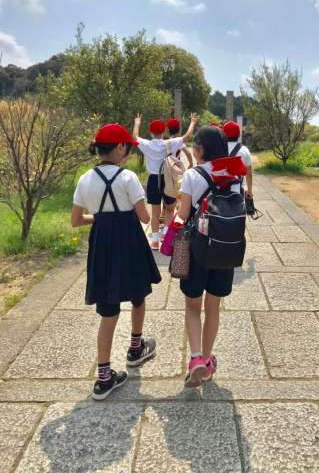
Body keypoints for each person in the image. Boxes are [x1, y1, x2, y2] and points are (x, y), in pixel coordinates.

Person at [71, 123, 161, 401]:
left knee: (108, 310)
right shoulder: (128, 177)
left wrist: (100, 218)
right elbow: (145, 217)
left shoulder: (85, 179)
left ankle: (103, 377)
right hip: (130, 242)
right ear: (120, 147)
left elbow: (76, 220)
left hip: (102, 245)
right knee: (138, 295)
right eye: (127, 148)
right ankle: (135, 348)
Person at [177, 126, 247, 388]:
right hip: (226, 248)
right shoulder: (235, 174)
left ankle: (195, 357)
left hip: (198, 248)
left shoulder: (192, 175)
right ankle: (207, 360)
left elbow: (183, 215)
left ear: (200, 150)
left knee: (193, 306)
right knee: (213, 307)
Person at [133, 113, 198, 250]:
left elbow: (134, 137)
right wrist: (192, 122)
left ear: (150, 132)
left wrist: (137, 123)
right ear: (164, 132)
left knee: (155, 212)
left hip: (153, 179)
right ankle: (166, 236)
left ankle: (155, 240)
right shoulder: (170, 143)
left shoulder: (147, 145)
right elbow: (187, 136)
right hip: (168, 179)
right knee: (169, 209)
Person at [223, 121, 253, 199]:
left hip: (219, 192)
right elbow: (248, 173)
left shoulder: (218, 148)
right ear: (239, 134)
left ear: (223, 134)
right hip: (237, 191)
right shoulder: (244, 150)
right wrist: (249, 191)